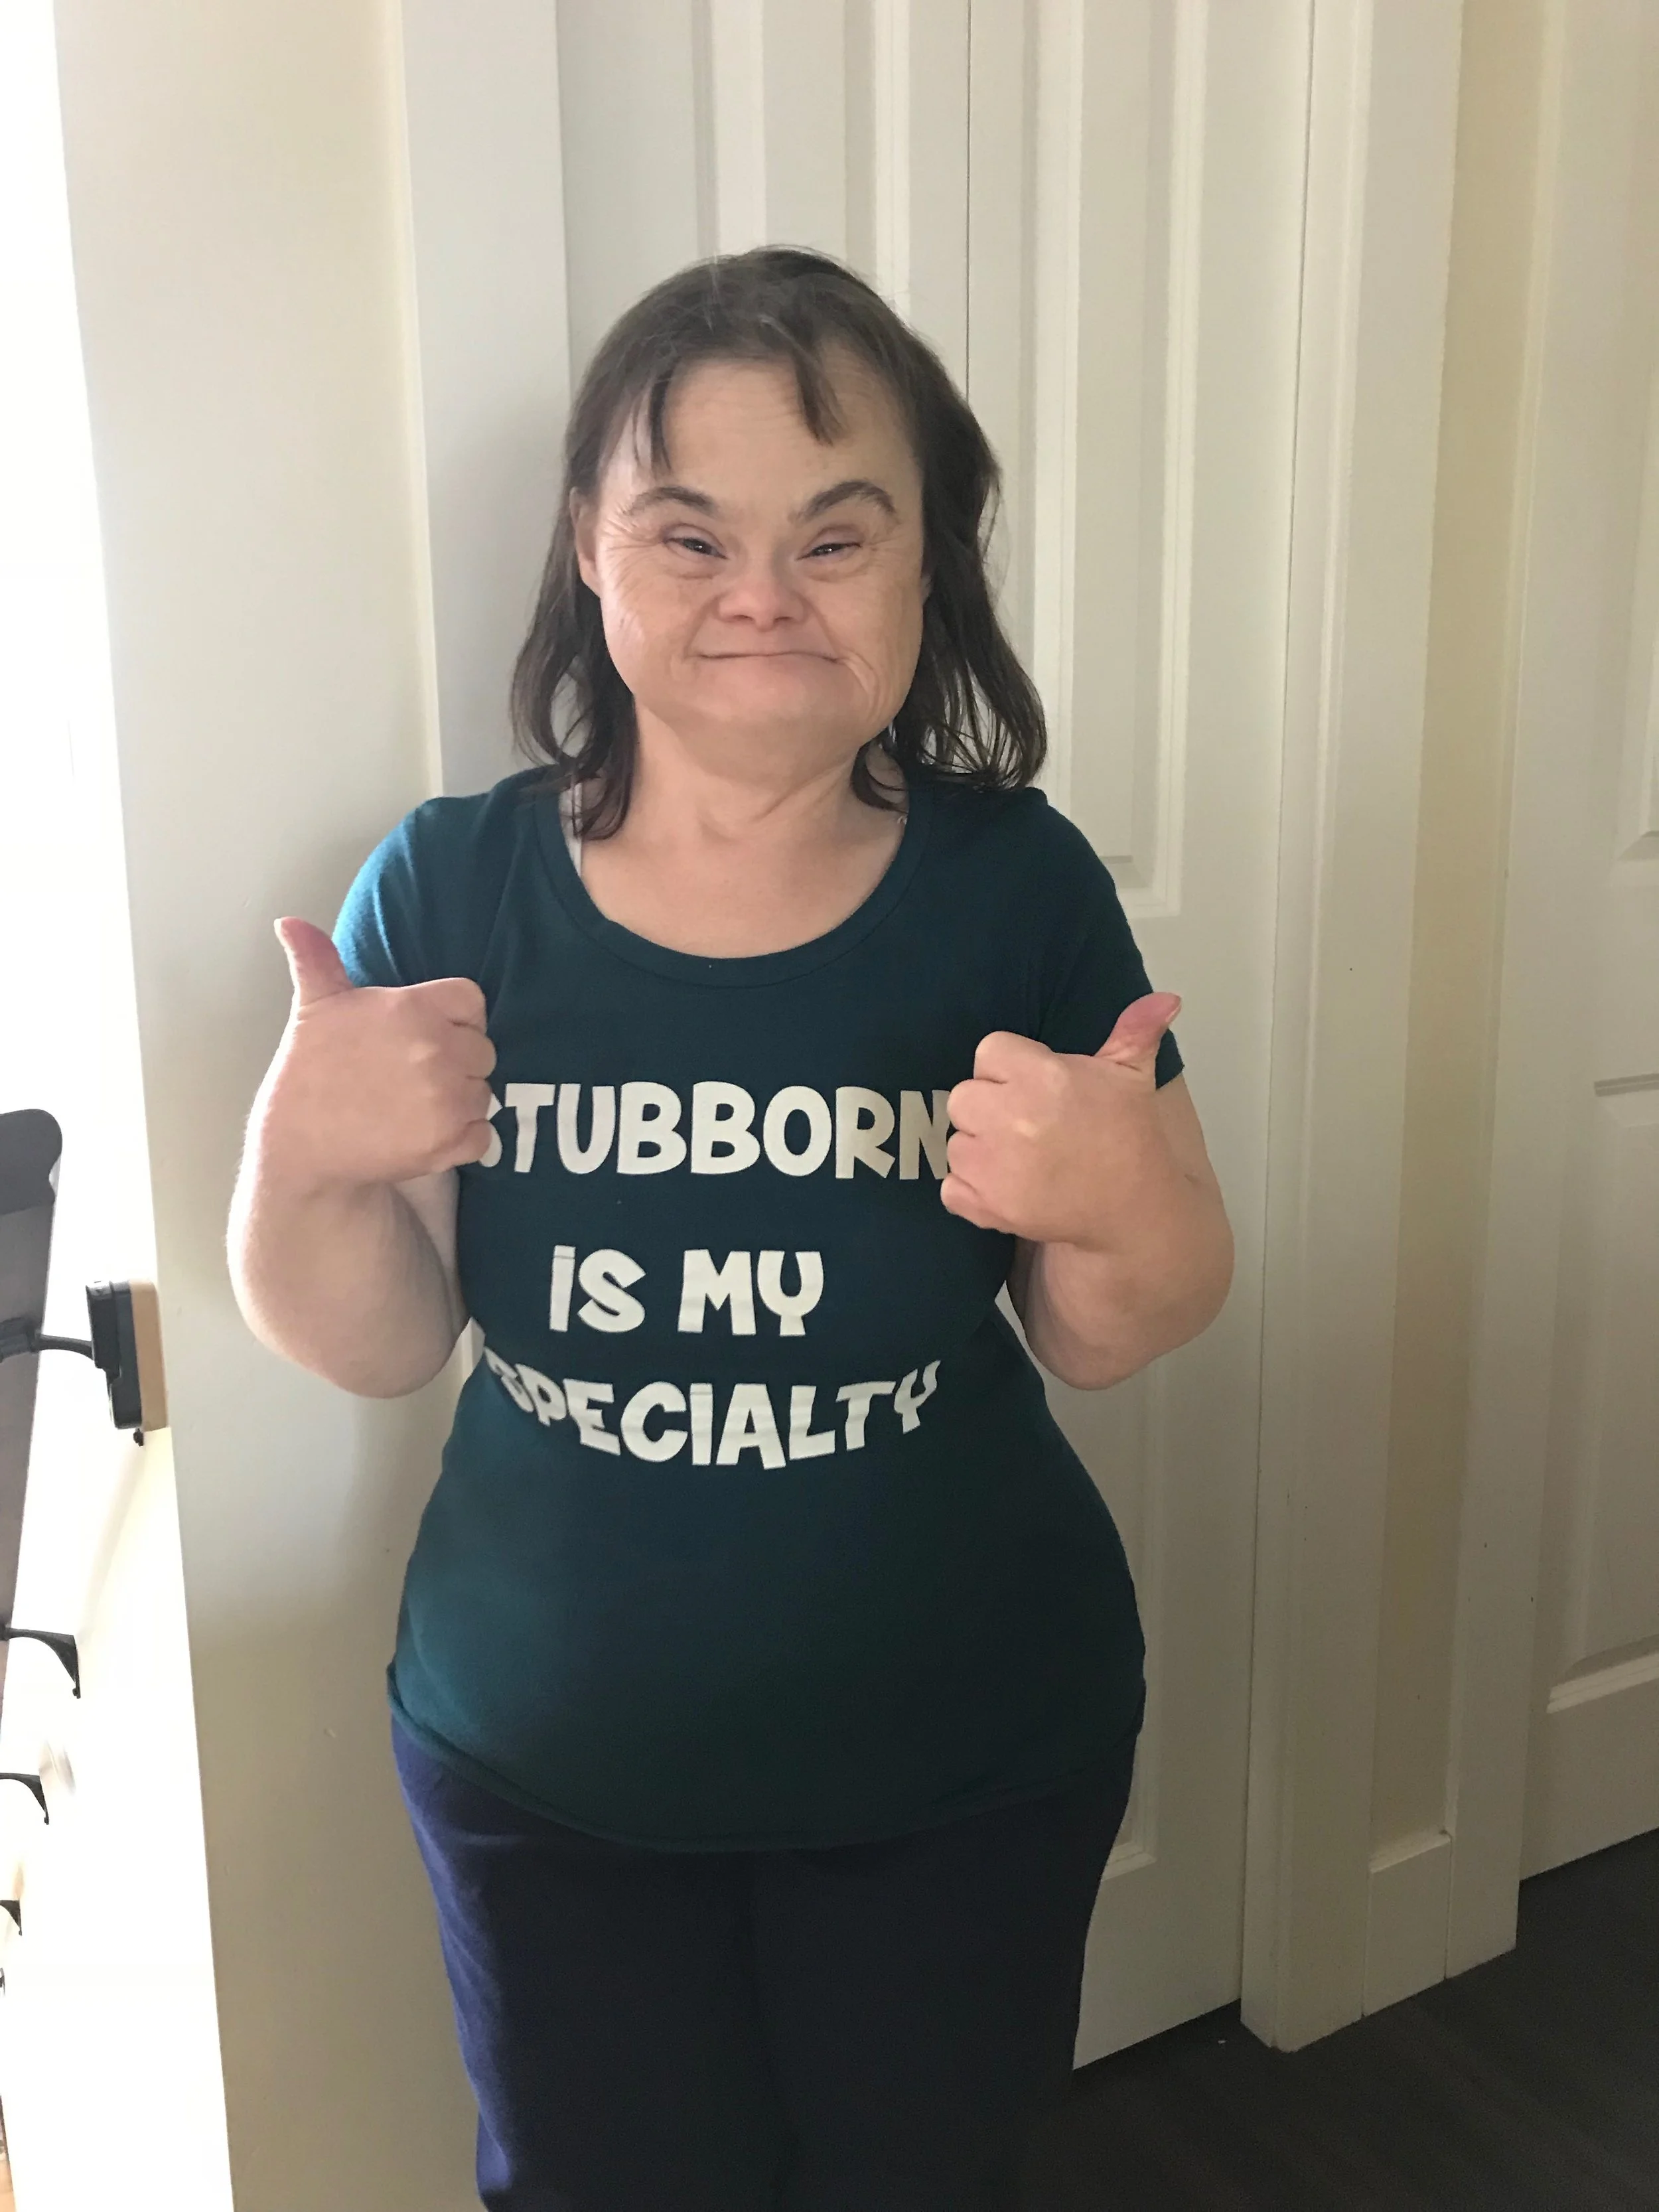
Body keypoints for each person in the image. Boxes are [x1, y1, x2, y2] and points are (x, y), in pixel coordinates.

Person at [228, 245, 1234, 2212]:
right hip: (546, 1777)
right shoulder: (448, 884)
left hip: (965, 1764)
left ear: (927, 569)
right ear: (588, 555)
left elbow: (1115, 1327)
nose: (761, 593)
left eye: (834, 538)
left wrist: (1124, 1204)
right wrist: (301, 1158)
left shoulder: (1016, 888)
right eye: (689, 536)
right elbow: (377, 1340)